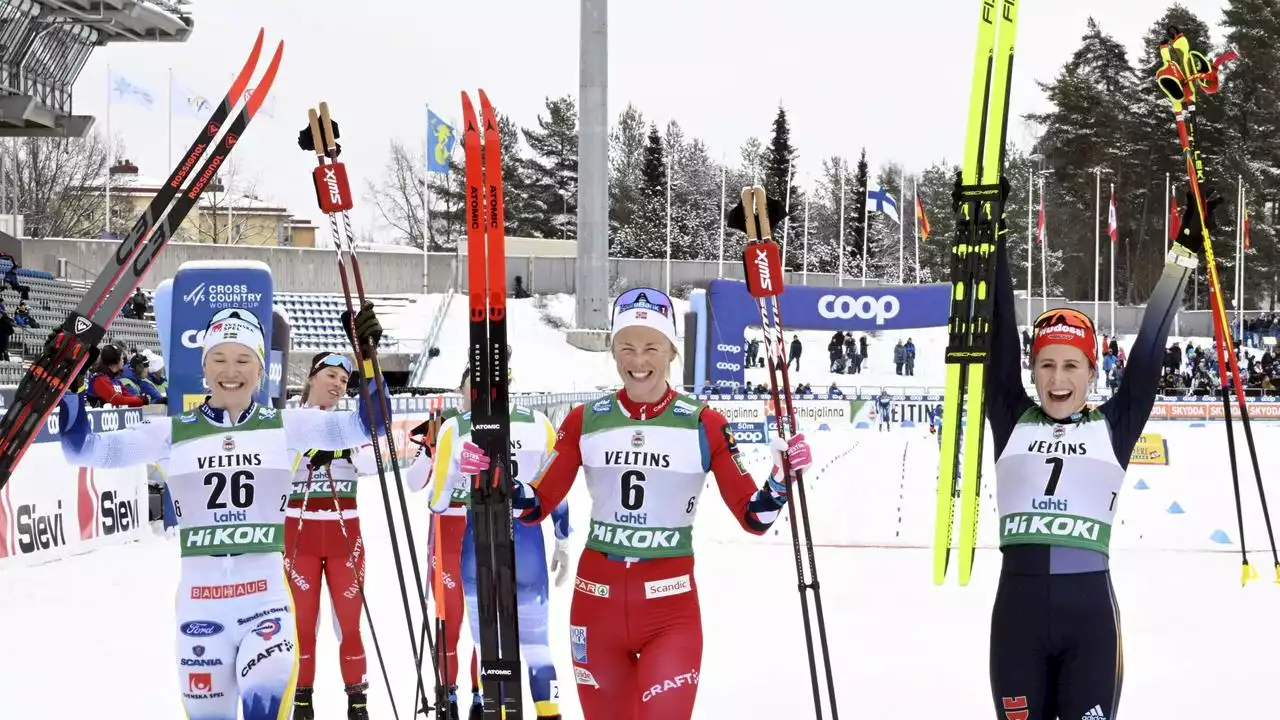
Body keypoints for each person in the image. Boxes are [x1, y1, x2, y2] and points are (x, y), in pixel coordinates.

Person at [58, 304, 388, 720]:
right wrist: (70, 383)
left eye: (243, 359)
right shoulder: (172, 432)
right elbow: (82, 450)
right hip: (200, 612)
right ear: (204, 366)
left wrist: (368, 358)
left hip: (265, 607)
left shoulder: (288, 425)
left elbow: (371, 425)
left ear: (259, 367)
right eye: (219, 359)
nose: (230, 371)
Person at [505, 287, 812, 720]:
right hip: (596, 605)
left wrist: (780, 480)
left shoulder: (704, 423)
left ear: (671, 351)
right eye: (626, 347)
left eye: (651, 347)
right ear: (613, 352)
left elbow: (753, 517)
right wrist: (495, 476)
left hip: (670, 612)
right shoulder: (584, 421)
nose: (638, 361)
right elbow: (535, 504)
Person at [984, 187, 1202, 720]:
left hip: (1092, 626)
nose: (1057, 379)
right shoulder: (1011, 416)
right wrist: (994, 237)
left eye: (1071, 366)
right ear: (1032, 370)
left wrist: (1184, 256)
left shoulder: (1113, 426)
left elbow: (1150, 346)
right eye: (1046, 365)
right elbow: (996, 324)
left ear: (1091, 371)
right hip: (1018, 620)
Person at [407, 366, 571, 720]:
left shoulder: (456, 426)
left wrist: (458, 471)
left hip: (478, 536)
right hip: (527, 540)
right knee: (538, 646)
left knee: (488, 649)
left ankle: (495, 709)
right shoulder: (538, 422)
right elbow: (557, 492)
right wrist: (562, 540)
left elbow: (436, 501)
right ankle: (548, 712)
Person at [286, 351, 379, 720]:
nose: (338, 385)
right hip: (299, 535)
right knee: (302, 626)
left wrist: (340, 446)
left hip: (345, 538)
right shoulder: (288, 419)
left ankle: (358, 704)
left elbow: (373, 461)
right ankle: (302, 701)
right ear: (311, 378)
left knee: (349, 623)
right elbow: (281, 454)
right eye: (331, 376)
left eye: (344, 381)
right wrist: (312, 441)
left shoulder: (351, 423)